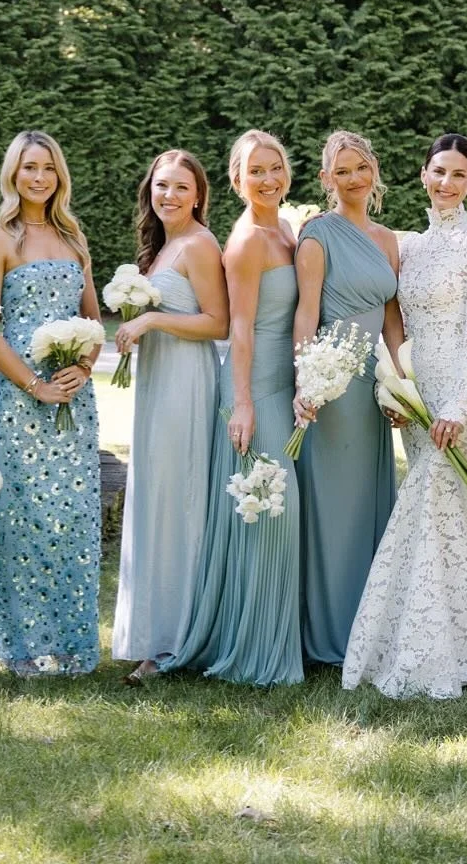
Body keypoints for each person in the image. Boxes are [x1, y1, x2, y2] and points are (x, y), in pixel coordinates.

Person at [343, 134, 467, 697]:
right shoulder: (409, 246)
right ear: (423, 175)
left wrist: (458, 401)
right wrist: (397, 392)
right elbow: (395, 325)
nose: (447, 183)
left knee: (431, 498)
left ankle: (426, 646)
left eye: (458, 175)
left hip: (463, 386)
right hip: (418, 387)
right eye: (438, 172)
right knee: (447, 508)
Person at [168, 131, 305, 685]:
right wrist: (242, 404)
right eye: (256, 172)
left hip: (286, 389)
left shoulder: (288, 228)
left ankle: (275, 639)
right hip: (252, 389)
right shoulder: (247, 241)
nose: (268, 179)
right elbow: (241, 329)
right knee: (269, 515)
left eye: (275, 168)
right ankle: (253, 653)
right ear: (236, 181)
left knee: (276, 519)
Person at [0, 131, 102, 677]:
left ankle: (72, 645)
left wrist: (85, 365)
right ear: (13, 174)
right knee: (25, 520)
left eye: (48, 167)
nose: (40, 178)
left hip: (75, 399)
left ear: (59, 175)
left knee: (73, 519)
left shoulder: (74, 238)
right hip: (22, 401)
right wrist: (34, 385)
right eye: (29, 168)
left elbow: (95, 320)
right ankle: (26, 649)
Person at [111, 150, 228, 682]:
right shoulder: (161, 248)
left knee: (179, 497)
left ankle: (177, 640)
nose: (170, 196)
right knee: (156, 496)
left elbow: (218, 322)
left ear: (199, 195)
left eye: (182, 187)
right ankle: (154, 633)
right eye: (162, 186)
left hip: (187, 383)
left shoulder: (201, 245)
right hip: (157, 382)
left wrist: (154, 317)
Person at [293, 130, 400, 666]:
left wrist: (402, 383)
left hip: (372, 390)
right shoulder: (317, 234)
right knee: (332, 508)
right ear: (326, 179)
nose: (354, 179)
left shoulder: (387, 240)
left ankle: (369, 626)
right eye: (342, 171)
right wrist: (306, 382)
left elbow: (394, 321)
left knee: (367, 506)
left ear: (373, 170)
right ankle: (328, 635)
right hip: (332, 384)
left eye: (361, 168)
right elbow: (306, 313)